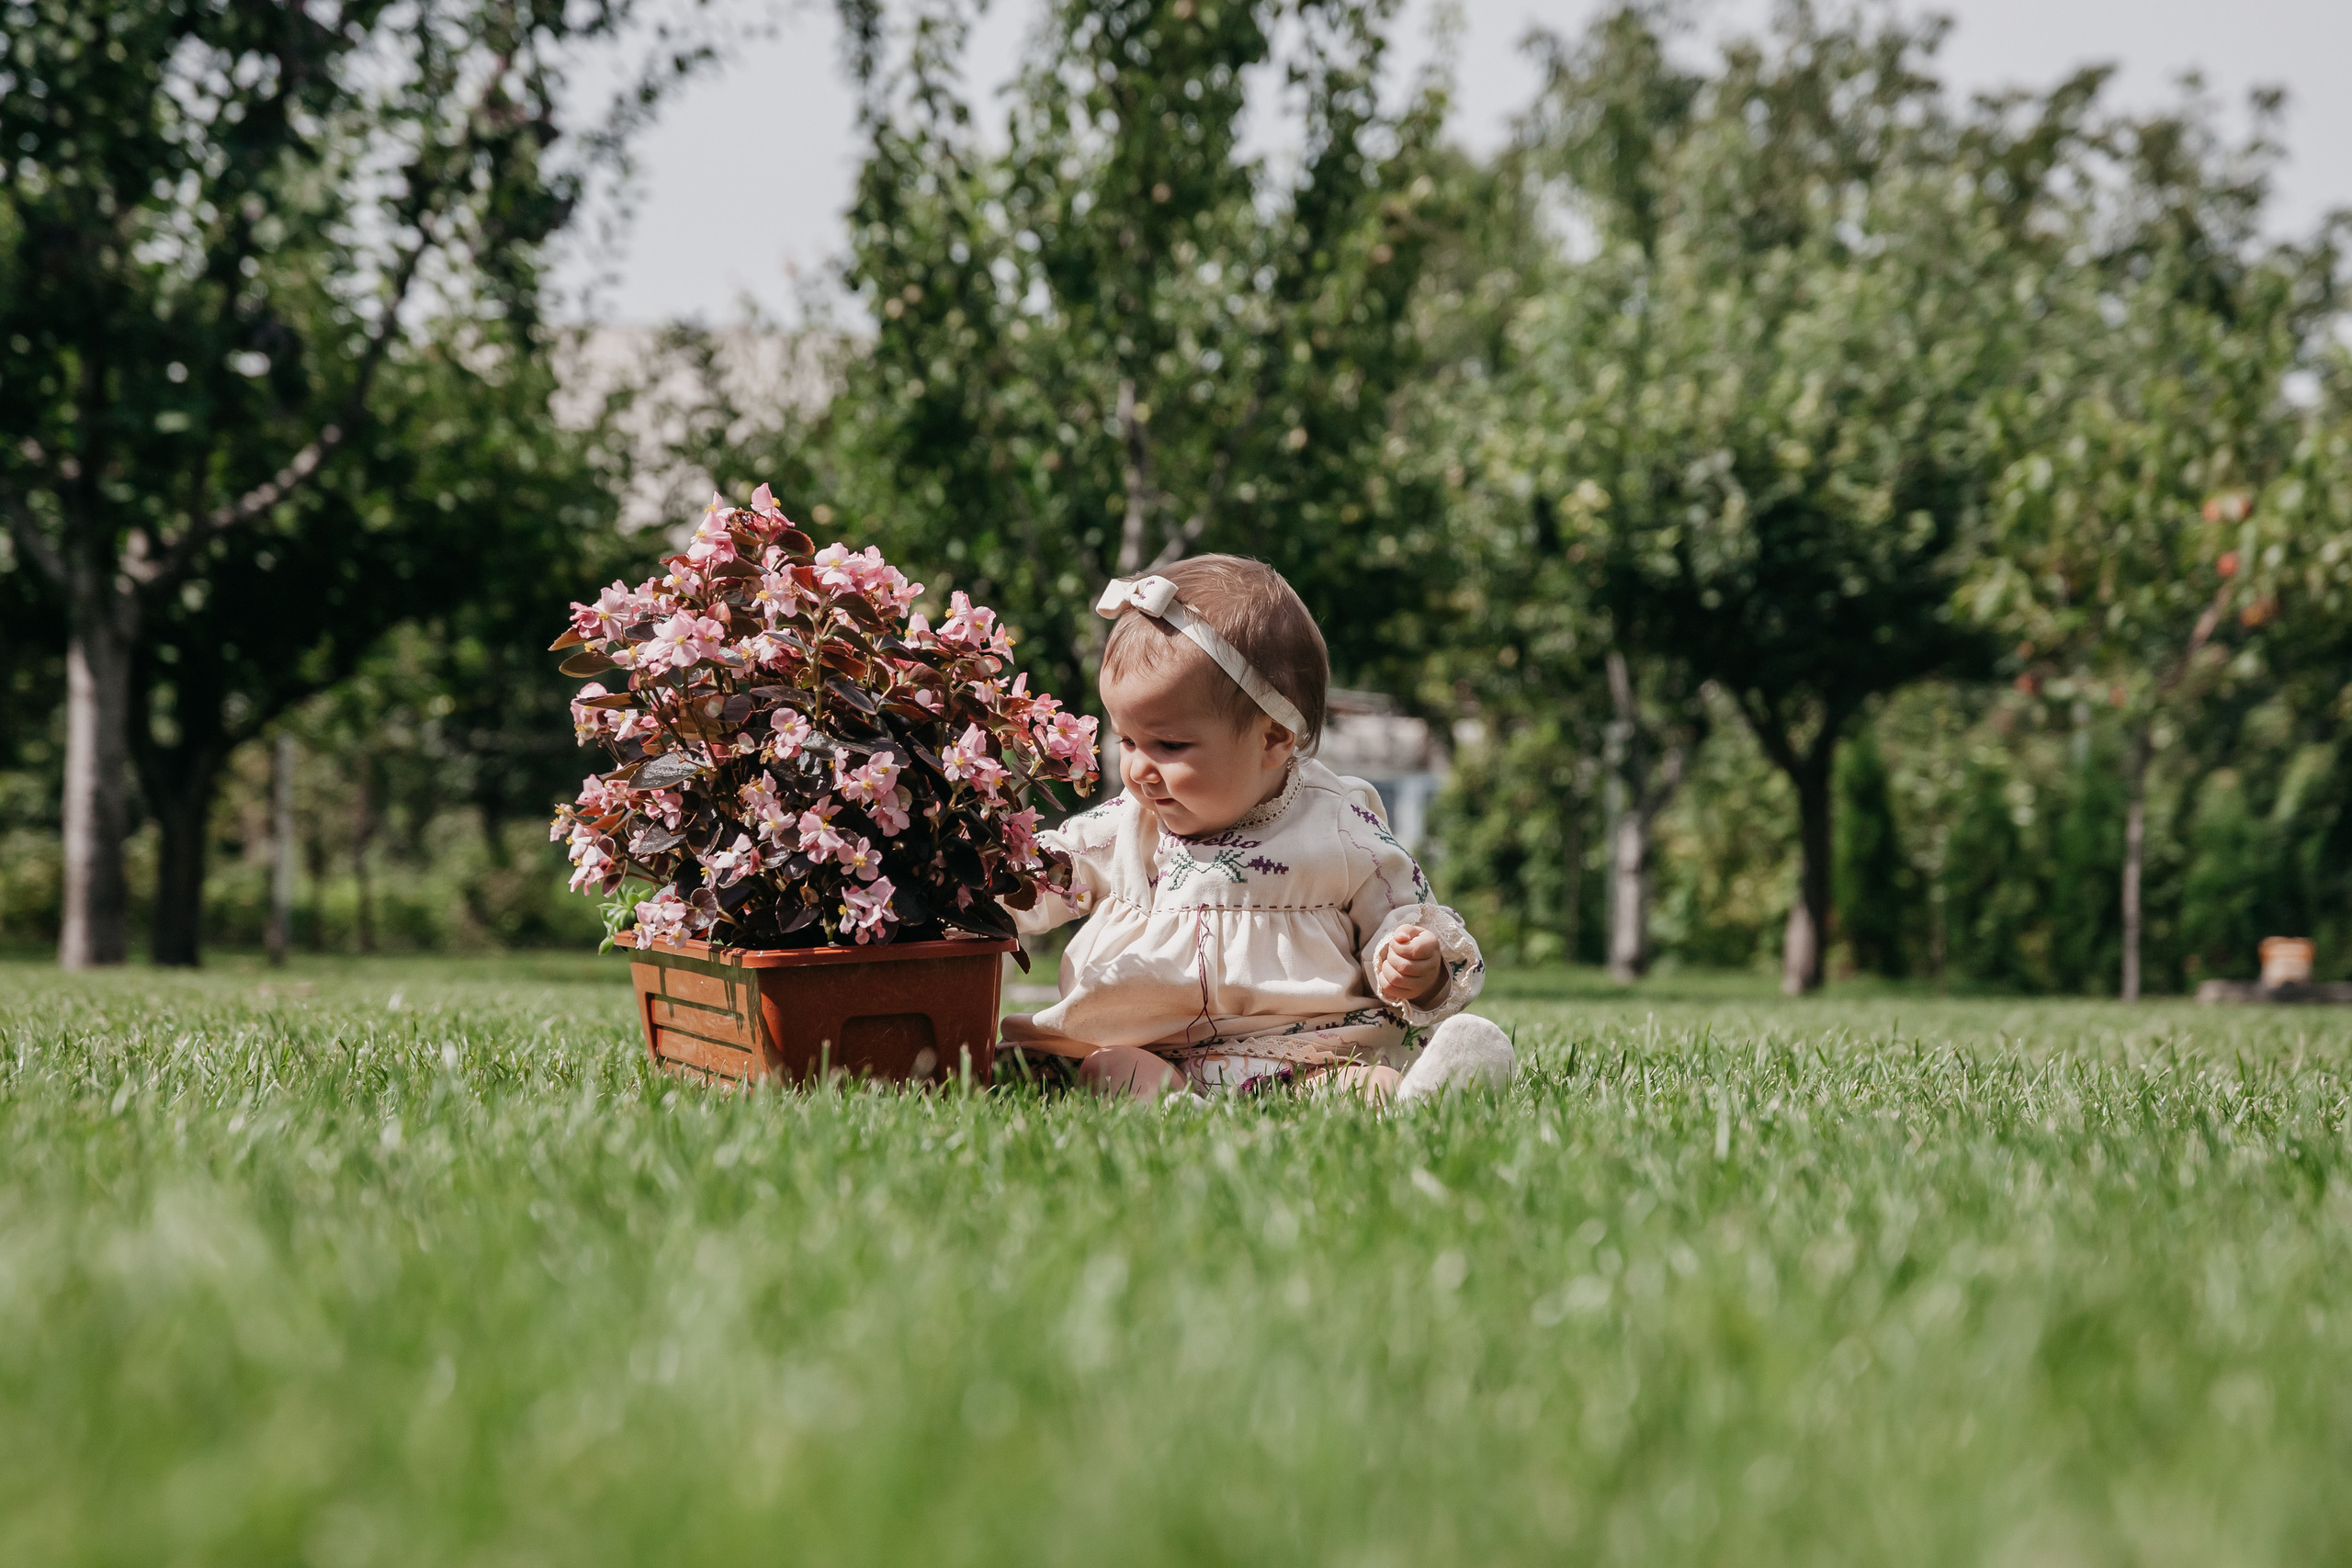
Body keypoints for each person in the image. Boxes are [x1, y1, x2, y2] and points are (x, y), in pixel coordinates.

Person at [1002, 555, 1516, 1101]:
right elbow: (1045, 873)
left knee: (1362, 1084)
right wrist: (981, 872)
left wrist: (1414, 964)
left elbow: (1402, 915)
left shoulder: (1340, 826)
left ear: (1272, 739)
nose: (1139, 769)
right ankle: (1181, 1114)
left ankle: (1420, 1097)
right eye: (1127, 740)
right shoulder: (1128, 825)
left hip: (1309, 1056)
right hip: (1156, 1053)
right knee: (1109, 1068)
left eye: (1169, 745)